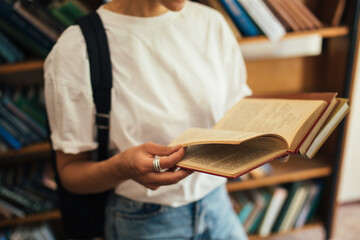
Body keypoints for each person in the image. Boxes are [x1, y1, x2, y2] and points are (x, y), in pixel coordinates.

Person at [44, 0, 260, 239]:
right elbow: (70, 173)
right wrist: (121, 167)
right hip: (142, 220)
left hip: (218, 205)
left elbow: (237, 113)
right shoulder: (77, 49)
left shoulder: (211, 23)